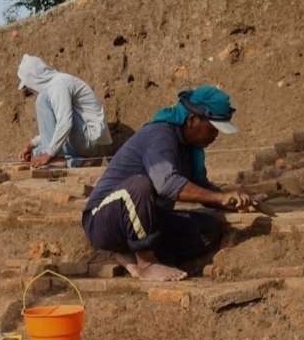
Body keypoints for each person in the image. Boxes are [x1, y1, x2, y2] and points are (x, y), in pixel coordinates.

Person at [81, 86, 251, 282]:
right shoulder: (160, 135)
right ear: (192, 119)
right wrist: (219, 197)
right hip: (102, 220)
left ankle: (129, 253)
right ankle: (146, 263)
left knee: (207, 229)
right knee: (140, 185)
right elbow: (167, 184)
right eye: (212, 129)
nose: (215, 136)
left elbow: (201, 189)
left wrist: (232, 201)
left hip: (146, 219)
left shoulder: (190, 149)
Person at [17, 54, 112, 168]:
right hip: (87, 143)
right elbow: (54, 128)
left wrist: (49, 154)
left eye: (28, 84)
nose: (31, 88)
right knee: (37, 152)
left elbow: (65, 124)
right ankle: (79, 162)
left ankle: (59, 159)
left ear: (34, 78)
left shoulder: (57, 85)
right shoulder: (56, 84)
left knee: (42, 99)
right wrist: (31, 145)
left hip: (89, 138)